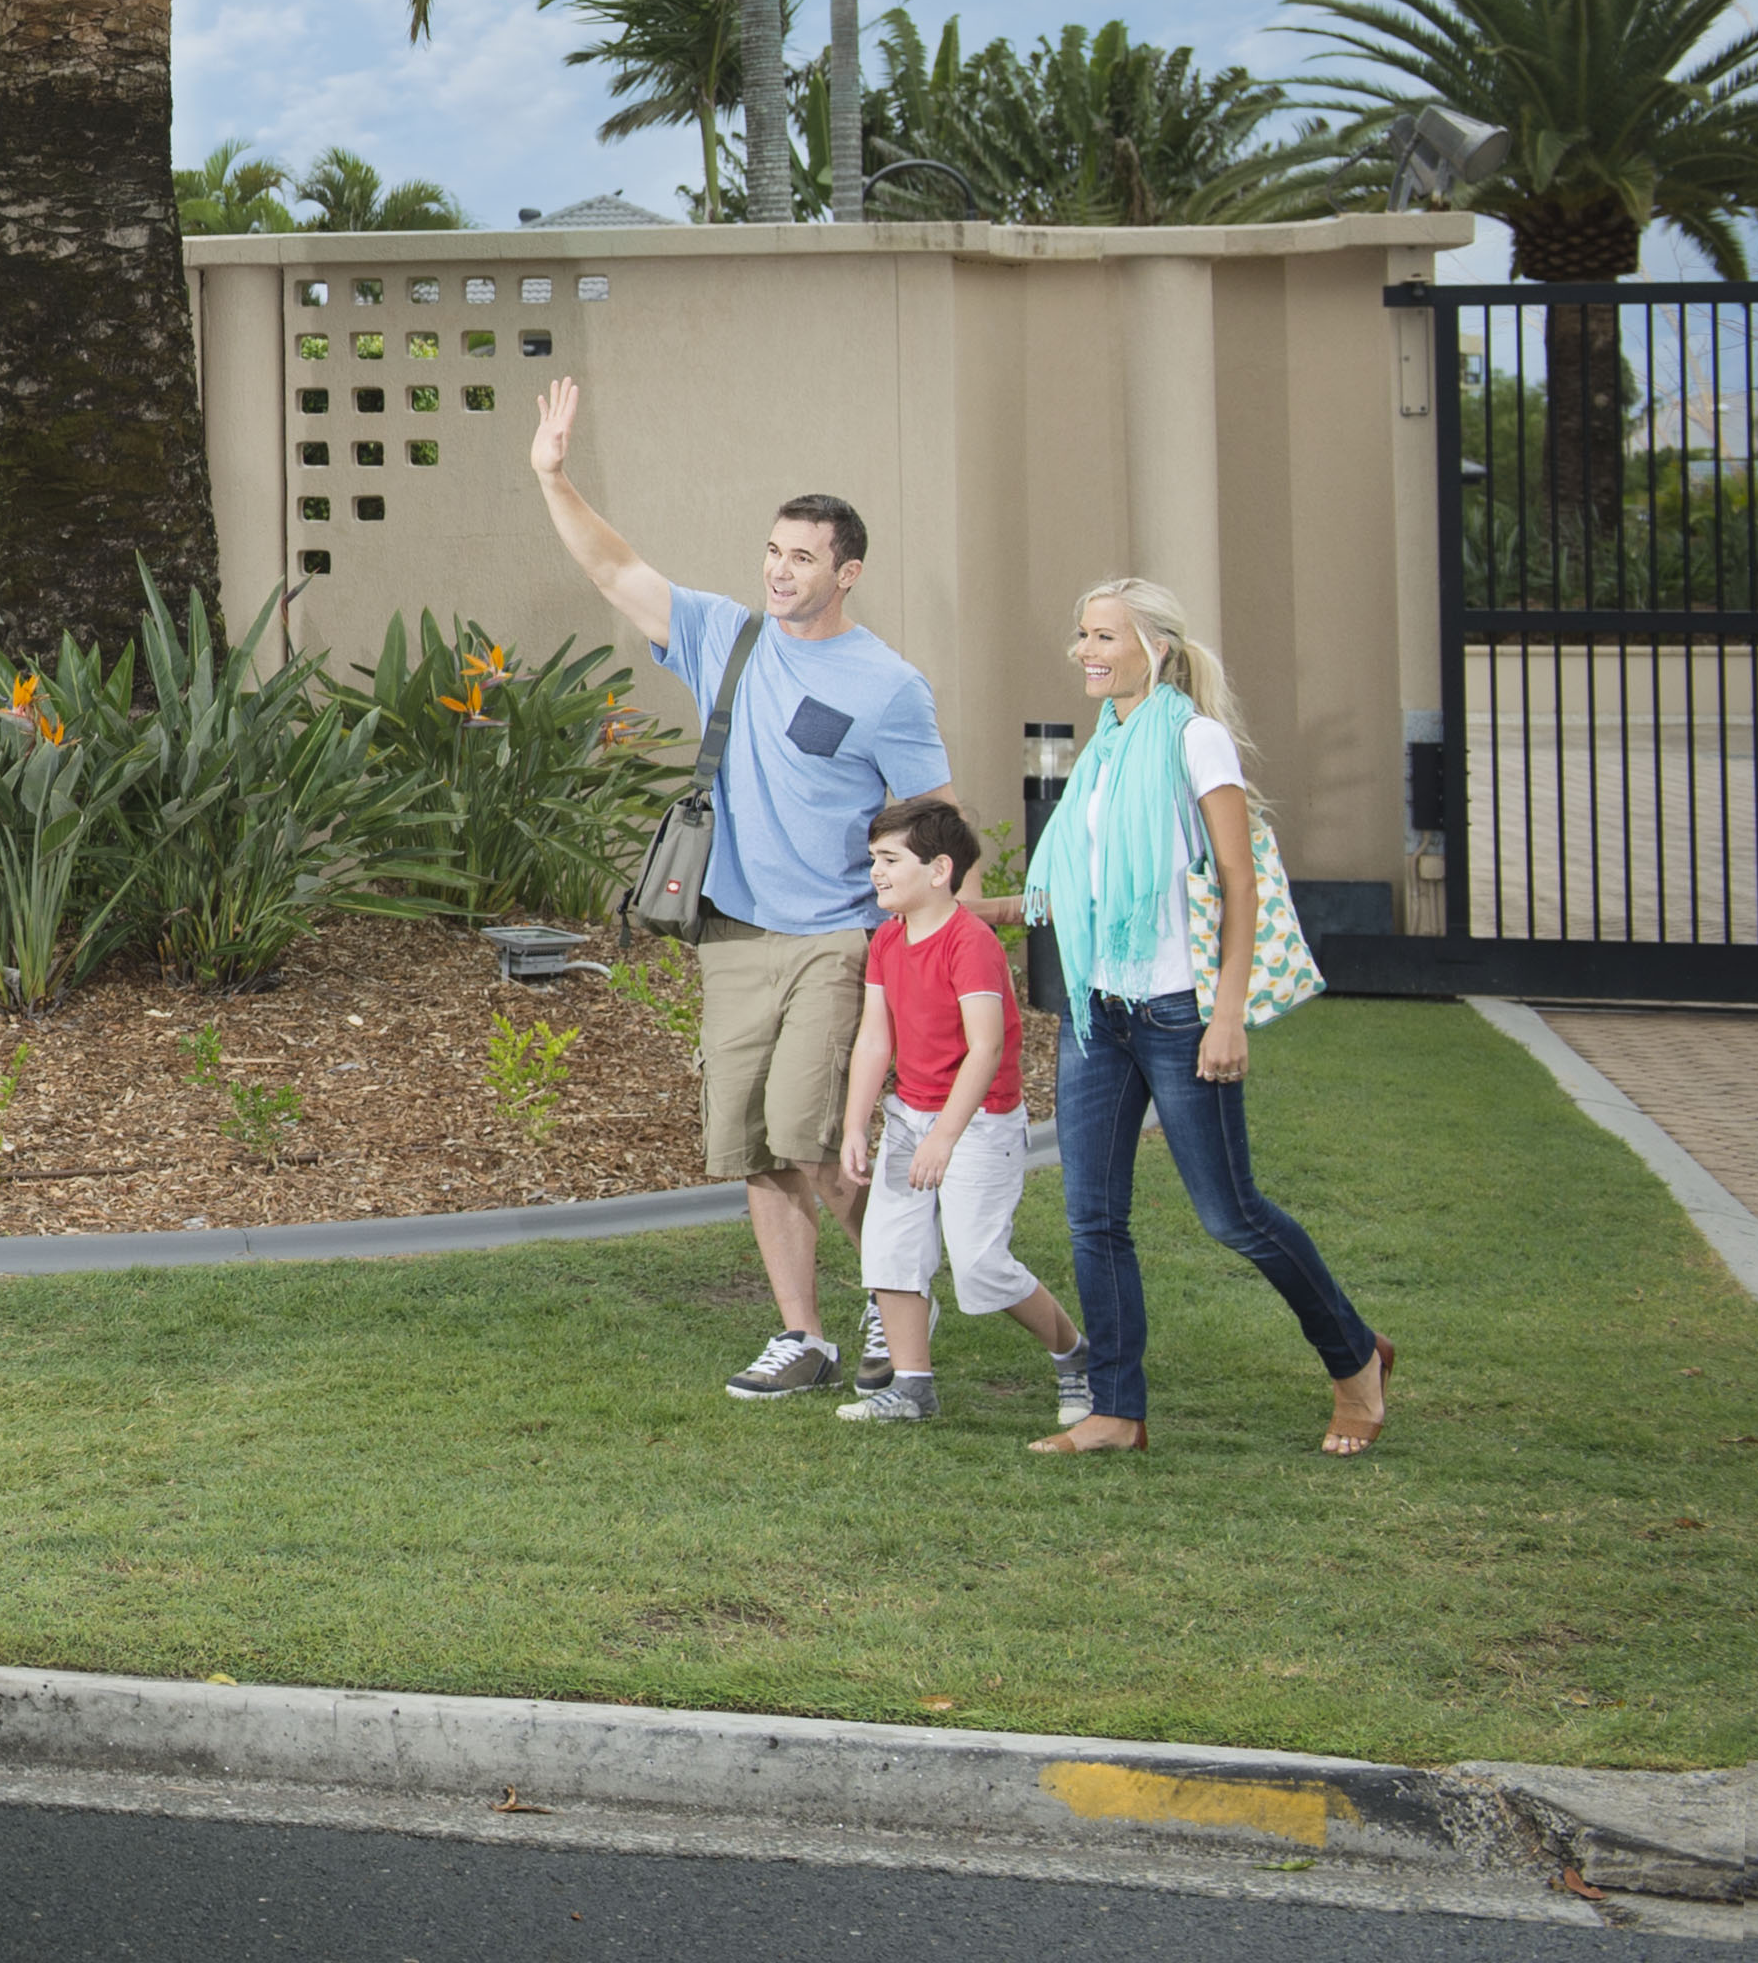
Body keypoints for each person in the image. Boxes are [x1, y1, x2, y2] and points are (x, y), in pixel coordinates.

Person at [527, 378, 951, 1402]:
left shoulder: (884, 683)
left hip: (835, 939)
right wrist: (550, 474)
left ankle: (891, 1303)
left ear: (845, 572)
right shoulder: (727, 635)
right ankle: (800, 1335)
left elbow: (933, 820)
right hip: (730, 933)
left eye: (801, 556)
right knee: (756, 1144)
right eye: (772, 550)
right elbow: (614, 570)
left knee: (817, 1136)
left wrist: (928, 939)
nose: (778, 569)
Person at [1027, 578, 1390, 1459]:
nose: (1085, 649)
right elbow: (1086, 883)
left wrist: (1225, 1017)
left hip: (1178, 1011)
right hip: (1099, 1010)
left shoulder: (1195, 739)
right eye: (1082, 633)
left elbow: (1241, 882)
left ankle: (1355, 1362)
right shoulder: (1104, 750)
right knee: (1092, 1218)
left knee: (1231, 1215)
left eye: (1104, 635)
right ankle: (1116, 1411)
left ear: (1153, 643)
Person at [832, 796, 1087, 1429]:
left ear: (940, 869)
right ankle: (913, 1388)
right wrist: (855, 1123)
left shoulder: (970, 945)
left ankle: (1076, 1356)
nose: (877, 873)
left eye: (890, 859)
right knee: (889, 1253)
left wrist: (945, 1137)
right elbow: (874, 1037)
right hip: (910, 1118)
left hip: (977, 1125)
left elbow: (987, 1046)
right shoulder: (888, 941)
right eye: (873, 860)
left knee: (982, 1269)